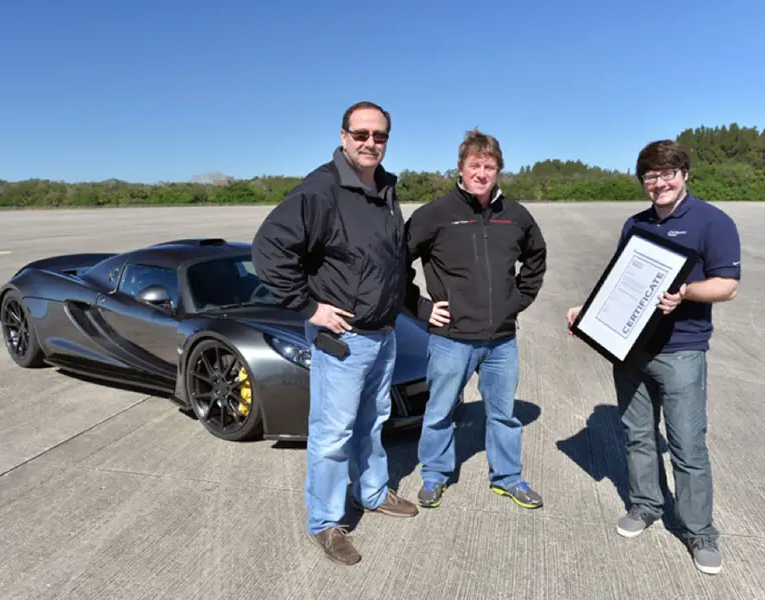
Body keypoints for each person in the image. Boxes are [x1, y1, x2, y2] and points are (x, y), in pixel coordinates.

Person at [251, 100, 418, 566]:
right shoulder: (320, 190)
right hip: (345, 339)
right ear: (344, 136)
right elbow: (268, 251)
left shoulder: (384, 189)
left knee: (373, 421)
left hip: (384, 333)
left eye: (379, 136)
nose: (370, 143)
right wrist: (309, 307)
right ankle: (324, 522)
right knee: (333, 432)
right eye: (361, 134)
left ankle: (372, 491)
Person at [566, 139, 741, 575]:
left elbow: (727, 285)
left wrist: (686, 293)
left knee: (686, 444)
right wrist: (587, 314)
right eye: (650, 176)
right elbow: (620, 285)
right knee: (638, 434)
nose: (659, 183)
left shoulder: (711, 221)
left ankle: (700, 530)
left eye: (667, 174)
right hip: (630, 350)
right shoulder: (636, 223)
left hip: (682, 350)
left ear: (684, 175)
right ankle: (646, 505)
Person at [404, 128, 547, 510]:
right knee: (439, 411)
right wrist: (420, 307)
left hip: (502, 340)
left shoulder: (515, 215)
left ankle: (508, 477)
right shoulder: (435, 214)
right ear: (461, 168)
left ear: (498, 169)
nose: (482, 173)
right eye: (475, 166)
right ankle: (435, 474)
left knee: (503, 415)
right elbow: (396, 264)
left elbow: (535, 259)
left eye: (489, 166)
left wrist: (516, 301)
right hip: (451, 339)